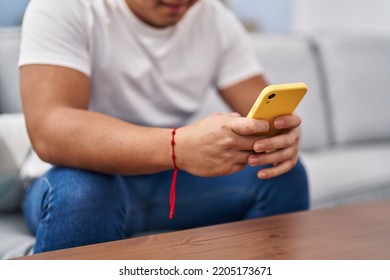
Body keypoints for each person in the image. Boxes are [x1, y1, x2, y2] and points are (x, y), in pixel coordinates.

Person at [19, 0, 309, 254]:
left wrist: (278, 136)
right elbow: (51, 130)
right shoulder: (63, 7)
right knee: (84, 194)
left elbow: (260, 109)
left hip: (170, 180)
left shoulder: (216, 20)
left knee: (280, 174)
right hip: (77, 176)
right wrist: (178, 146)